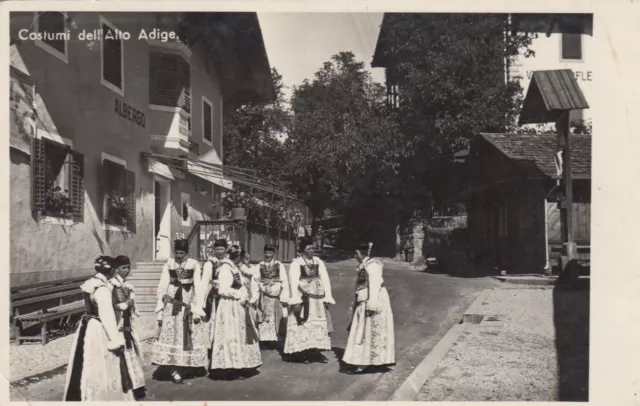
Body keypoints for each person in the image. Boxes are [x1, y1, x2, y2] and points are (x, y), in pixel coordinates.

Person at [63, 256, 134, 401]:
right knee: (102, 365)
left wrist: (121, 306)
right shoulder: (102, 289)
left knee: (85, 362)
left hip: (87, 326)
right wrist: (115, 340)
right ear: (112, 270)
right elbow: (107, 316)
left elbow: (97, 305)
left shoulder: (91, 283)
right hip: (98, 328)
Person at [151, 238, 208, 383]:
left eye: (182, 253)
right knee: (172, 334)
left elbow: (198, 286)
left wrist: (197, 307)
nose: (179, 256)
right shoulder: (169, 264)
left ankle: (187, 364)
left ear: (187, 253)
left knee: (188, 333)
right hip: (172, 303)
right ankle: (173, 368)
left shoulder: (193, 265)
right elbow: (163, 283)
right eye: (177, 252)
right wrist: (161, 302)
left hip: (187, 301)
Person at [206, 245, 262, 379]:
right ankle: (231, 367)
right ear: (237, 257)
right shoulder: (225, 269)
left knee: (239, 333)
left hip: (236, 306)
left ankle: (240, 364)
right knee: (231, 334)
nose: (242, 261)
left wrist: (243, 295)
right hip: (228, 306)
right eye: (241, 258)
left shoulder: (233, 268)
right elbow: (223, 289)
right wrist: (240, 295)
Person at [342, 243, 395, 374]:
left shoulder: (373, 265)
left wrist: (372, 303)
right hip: (364, 299)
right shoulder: (365, 265)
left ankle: (364, 363)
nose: (355, 256)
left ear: (362, 253)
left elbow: (375, 284)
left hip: (372, 299)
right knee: (364, 330)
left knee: (367, 331)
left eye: (356, 253)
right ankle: (367, 360)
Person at [283, 237, 335, 363]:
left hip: (316, 298)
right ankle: (301, 352)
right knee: (303, 322)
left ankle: (313, 350)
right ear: (302, 250)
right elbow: (293, 282)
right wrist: (296, 300)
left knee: (316, 322)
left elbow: (325, 279)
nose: (311, 251)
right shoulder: (297, 263)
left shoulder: (318, 262)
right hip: (303, 298)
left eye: (312, 248)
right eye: (308, 249)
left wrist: (327, 295)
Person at [110, 255, 146, 399]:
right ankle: (122, 384)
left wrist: (131, 303)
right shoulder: (112, 285)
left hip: (126, 322)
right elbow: (112, 305)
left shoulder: (127, 284)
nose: (127, 270)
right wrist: (124, 305)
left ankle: (133, 384)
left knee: (130, 348)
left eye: (128, 267)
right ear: (116, 269)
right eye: (123, 268)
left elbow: (132, 304)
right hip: (117, 321)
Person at [256, 244, 288, 347]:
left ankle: (277, 338)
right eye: (266, 253)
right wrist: (263, 287)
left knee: (277, 315)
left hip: (276, 295)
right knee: (265, 315)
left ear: (274, 253)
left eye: (270, 253)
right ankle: (265, 340)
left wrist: (282, 294)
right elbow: (256, 279)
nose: (268, 255)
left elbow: (284, 280)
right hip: (265, 294)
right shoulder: (260, 265)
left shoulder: (279, 265)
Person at [201, 239, 228, 347]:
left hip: (225, 294)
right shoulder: (210, 263)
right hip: (213, 294)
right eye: (217, 249)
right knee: (213, 317)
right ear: (214, 250)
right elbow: (204, 281)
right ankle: (211, 344)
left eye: (222, 249)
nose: (220, 252)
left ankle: (223, 344)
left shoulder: (228, 263)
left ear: (226, 250)